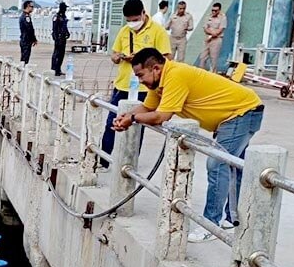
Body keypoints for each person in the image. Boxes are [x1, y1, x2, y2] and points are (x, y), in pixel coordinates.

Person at [111, 48, 265, 242]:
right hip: (236, 113)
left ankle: (211, 224)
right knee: (233, 167)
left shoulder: (176, 76)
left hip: (242, 112)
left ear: (156, 68)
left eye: (141, 75)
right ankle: (233, 218)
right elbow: (148, 107)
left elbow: (161, 116)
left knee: (217, 164)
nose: (140, 81)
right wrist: (126, 116)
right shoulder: (159, 83)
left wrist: (132, 118)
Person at [99, 0, 172, 166]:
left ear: (143, 13)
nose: (132, 23)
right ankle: (103, 159)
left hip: (144, 87)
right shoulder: (125, 31)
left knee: (137, 124)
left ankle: (129, 163)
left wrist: (143, 60)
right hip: (123, 83)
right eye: (129, 21)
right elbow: (114, 53)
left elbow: (166, 58)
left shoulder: (158, 31)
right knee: (112, 120)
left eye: (135, 20)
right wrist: (118, 57)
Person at [197, 2, 227, 72]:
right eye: (212, 10)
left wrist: (214, 33)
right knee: (202, 57)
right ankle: (201, 73)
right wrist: (211, 33)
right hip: (208, 38)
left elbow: (220, 29)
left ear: (219, 10)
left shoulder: (223, 17)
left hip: (216, 40)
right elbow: (205, 28)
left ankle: (213, 74)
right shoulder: (208, 16)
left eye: (215, 10)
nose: (213, 12)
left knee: (213, 59)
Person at [51, 2, 70, 76]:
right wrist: (56, 38)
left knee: (61, 54)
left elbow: (65, 26)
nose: (65, 9)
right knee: (56, 54)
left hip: (63, 38)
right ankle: (54, 69)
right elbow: (54, 28)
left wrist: (67, 33)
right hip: (58, 38)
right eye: (65, 7)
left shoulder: (64, 16)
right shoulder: (57, 16)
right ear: (61, 8)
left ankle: (58, 69)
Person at [19, 0, 37, 64]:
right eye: (31, 6)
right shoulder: (26, 17)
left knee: (24, 57)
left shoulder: (23, 16)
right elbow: (30, 29)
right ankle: (23, 71)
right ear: (27, 6)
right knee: (25, 58)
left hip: (24, 39)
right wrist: (34, 39)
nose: (32, 8)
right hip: (26, 40)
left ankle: (22, 70)